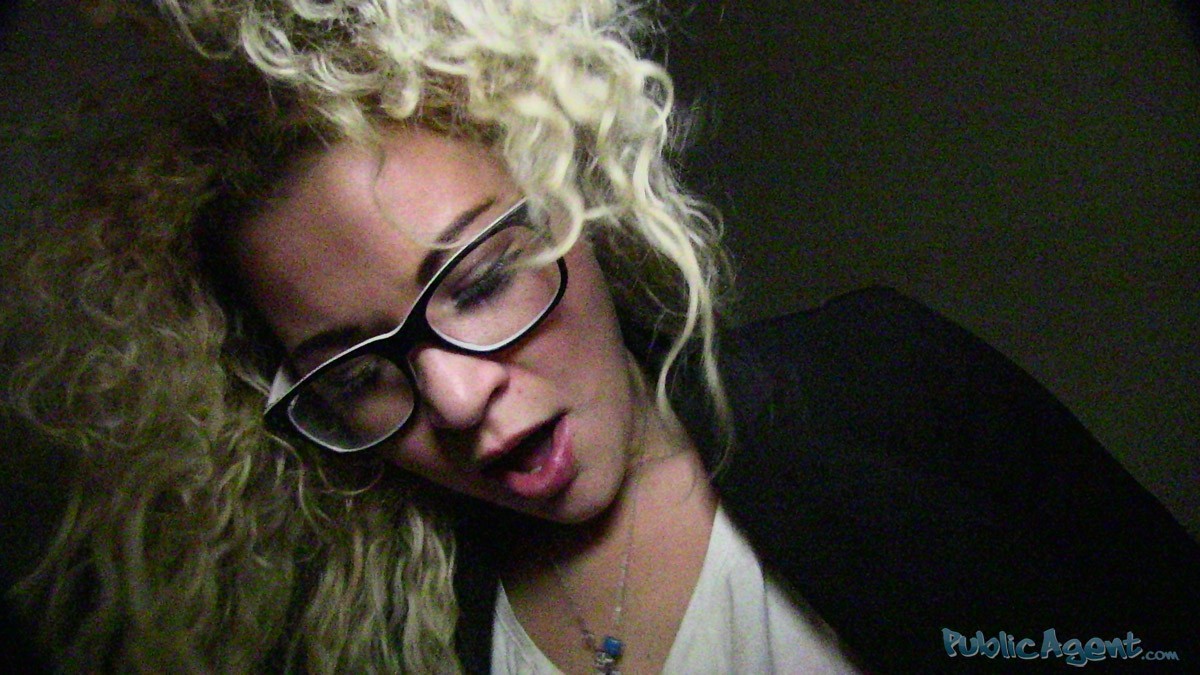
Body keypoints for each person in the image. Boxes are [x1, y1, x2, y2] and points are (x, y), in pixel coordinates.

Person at [2, 1, 1197, 673]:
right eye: (360, 372)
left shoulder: (880, 390)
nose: (457, 401)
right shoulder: (389, 644)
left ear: (584, 206)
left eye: (479, 280)